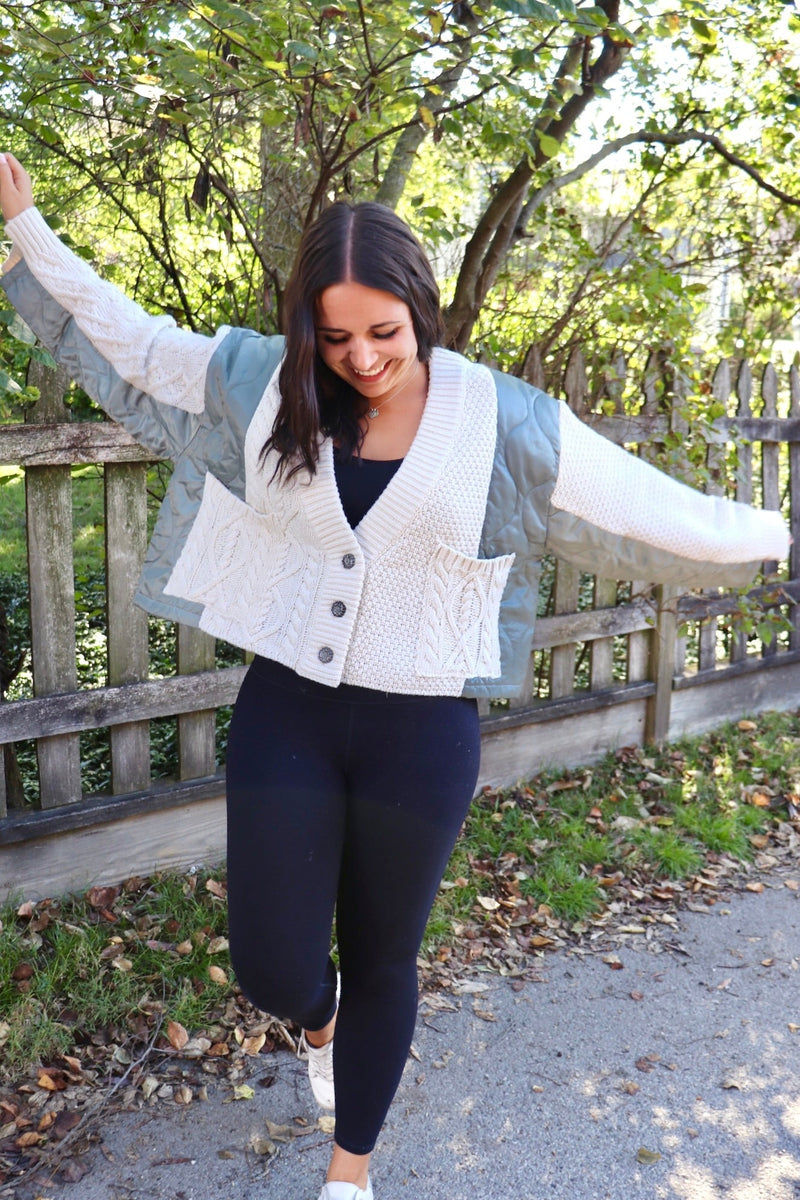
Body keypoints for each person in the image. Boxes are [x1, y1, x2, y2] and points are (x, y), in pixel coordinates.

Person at [0, 151, 790, 1200]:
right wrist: (27, 225)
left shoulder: (503, 420)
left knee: (383, 954)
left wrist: (775, 534)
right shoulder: (262, 386)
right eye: (335, 335)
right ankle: (314, 1023)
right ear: (306, 327)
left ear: (420, 309)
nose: (361, 357)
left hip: (421, 730)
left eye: (383, 331)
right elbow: (125, 337)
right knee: (273, 965)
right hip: (290, 708)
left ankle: (349, 1174)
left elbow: (658, 511)